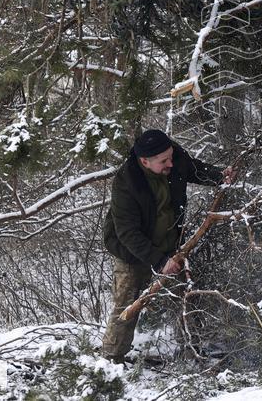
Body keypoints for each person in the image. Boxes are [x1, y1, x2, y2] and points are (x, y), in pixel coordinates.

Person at [101, 128, 233, 362]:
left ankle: (192, 348)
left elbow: (193, 169)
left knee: (187, 293)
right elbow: (128, 233)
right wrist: (160, 261)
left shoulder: (173, 156)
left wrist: (219, 176)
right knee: (127, 304)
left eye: (170, 157)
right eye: (163, 161)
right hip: (133, 251)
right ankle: (111, 359)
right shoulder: (126, 182)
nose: (170, 163)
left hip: (171, 245)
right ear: (145, 161)